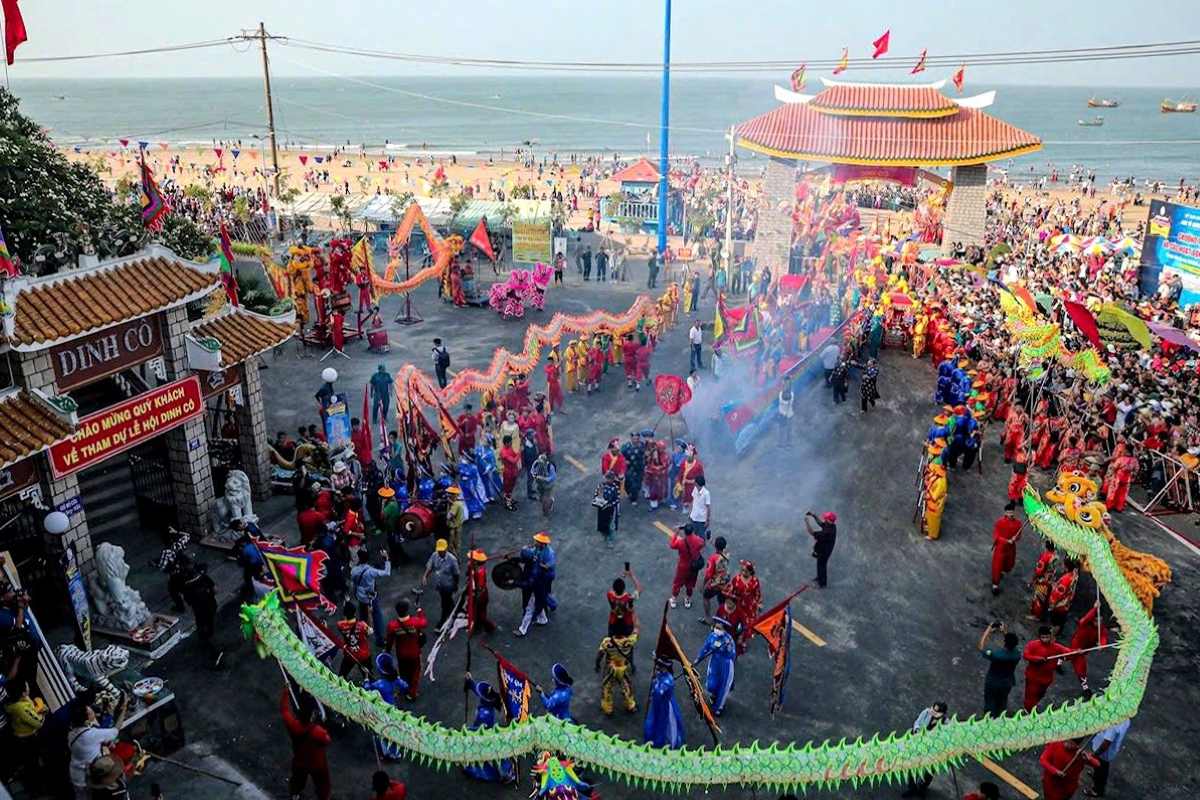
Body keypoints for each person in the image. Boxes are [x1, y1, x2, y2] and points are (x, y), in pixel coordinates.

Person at [167, 555, 222, 667]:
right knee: (209, 619)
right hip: (210, 603)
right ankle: (208, 635)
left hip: (198, 606)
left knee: (201, 622)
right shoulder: (202, 576)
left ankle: (206, 640)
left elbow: (175, 591)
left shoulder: (179, 578)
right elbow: (215, 590)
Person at [280, 687, 333, 800]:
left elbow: (284, 710)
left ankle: (295, 794)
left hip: (300, 761)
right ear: (311, 717)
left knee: (297, 780)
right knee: (322, 784)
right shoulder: (317, 731)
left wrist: (286, 691)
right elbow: (327, 740)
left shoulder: (293, 725)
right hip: (317, 764)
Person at [462, 675, 517, 783]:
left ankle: (506, 774)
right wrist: (470, 682)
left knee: (492, 754)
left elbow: (479, 730)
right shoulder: (487, 704)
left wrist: (468, 730)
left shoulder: (484, 714)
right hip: (486, 731)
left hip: (485, 735)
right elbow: (479, 693)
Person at [363, 653, 410, 761]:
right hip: (396, 709)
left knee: (383, 733)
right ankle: (396, 751)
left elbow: (367, 688)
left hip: (384, 712)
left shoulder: (380, 684)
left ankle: (389, 754)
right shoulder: (396, 680)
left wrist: (366, 677)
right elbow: (405, 686)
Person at [900, 701, 948, 797]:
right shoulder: (926, 712)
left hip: (933, 750)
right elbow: (917, 722)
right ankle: (912, 788)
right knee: (913, 766)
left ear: (942, 714)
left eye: (936, 712)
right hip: (918, 745)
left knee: (929, 771)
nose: (932, 712)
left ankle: (922, 788)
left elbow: (946, 738)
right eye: (932, 709)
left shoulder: (946, 723)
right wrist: (917, 730)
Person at [1023, 625, 1073, 710]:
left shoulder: (1056, 647)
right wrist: (1037, 659)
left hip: (1046, 679)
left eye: (1047, 637)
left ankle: (1033, 706)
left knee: (1040, 695)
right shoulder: (1032, 645)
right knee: (1030, 695)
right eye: (1043, 637)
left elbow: (1068, 652)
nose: (1045, 639)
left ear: (1050, 636)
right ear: (1039, 636)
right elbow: (1026, 655)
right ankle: (1028, 710)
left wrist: (1078, 651)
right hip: (1033, 678)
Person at [516, 532, 556, 637]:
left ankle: (522, 629)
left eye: (537, 541)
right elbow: (529, 556)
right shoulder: (537, 549)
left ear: (543, 543)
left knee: (530, 606)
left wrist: (518, 583)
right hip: (538, 580)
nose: (535, 543)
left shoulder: (549, 554)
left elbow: (546, 568)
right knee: (540, 600)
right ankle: (543, 618)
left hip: (542, 581)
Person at [385, 600, 427, 700]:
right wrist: (419, 610)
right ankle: (412, 693)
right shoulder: (415, 622)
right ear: (407, 610)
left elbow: (389, 641)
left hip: (401, 654)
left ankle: (404, 687)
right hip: (414, 653)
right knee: (415, 673)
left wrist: (387, 652)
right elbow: (424, 622)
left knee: (403, 672)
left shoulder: (392, 626)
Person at [977, 622, 1021, 716]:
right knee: (1002, 701)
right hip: (1007, 682)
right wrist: (1004, 631)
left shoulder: (997, 655)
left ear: (1004, 642)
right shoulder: (1017, 654)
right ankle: (1000, 717)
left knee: (990, 702)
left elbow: (981, 647)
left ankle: (989, 719)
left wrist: (988, 629)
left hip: (993, 682)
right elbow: (1011, 642)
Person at [695, 617, 737, 715]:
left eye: (720, 628)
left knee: (723, 686)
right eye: (716, 627)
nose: (717, 629)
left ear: (724, 629)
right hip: (715, 662)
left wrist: (727, 646)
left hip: (726, 664)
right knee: (711, 685)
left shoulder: (728, 640)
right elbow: (705, 647)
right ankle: (714, 695)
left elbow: (732, 654)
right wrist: (699, 658)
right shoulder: (712, 636)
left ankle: (719, 707)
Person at [351, 548, 392, 648]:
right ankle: (379, 639)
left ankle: (362, 637)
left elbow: (354, 582)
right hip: (370, 598)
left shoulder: (354, 570)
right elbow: (387, 572)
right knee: (377, 617)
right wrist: (386, 559)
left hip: (360, 596)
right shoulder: (371, 571)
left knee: (362, 616)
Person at [643, 657, 684, 749]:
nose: (658, 668)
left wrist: (656, 684)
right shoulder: (659, 676)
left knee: (666, 725)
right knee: (652, 722)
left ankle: (670, 744)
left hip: (664, 706)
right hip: (656, 704)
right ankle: (650, 739)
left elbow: (659, 692)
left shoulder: (668, 680)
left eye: (660, 666)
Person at [595, 629, 638, 715]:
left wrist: (597, 665)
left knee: (607, 687)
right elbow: (636, 633)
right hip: (623, 667)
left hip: (611, 668)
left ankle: (607, 708)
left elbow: (600, 654)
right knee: (626, 686)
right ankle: (630, 705)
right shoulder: (629, 641)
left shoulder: (607, 642)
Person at [1070, 603, 1108, 696]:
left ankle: (1085, 688)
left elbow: (1103, 637)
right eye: (1096, 621)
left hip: (1084, 651)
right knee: (1076, 665)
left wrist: (1102, 645)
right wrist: (1094, 608)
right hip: (1076, 648)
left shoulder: (1101, 629)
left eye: (1100, 621)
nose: (1098, 623)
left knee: (1081, 670)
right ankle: (1085, 688)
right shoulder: (1085, 623)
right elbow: (1086, 618)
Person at [422, 539, 460, 629]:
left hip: (448, 585)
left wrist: (455, 585)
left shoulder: (452, 559)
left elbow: (456, 574)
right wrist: (425, 576)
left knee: (444, 602)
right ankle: (455, 610)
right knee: (447, 599)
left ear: (446, 549)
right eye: (439, 550)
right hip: (439, 584)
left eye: (442, 551)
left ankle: (443, 620)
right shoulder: (435, 555)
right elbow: (430, 565)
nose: (440, 552)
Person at [1088, 718, 1130, 797]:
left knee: (1101, 769)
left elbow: (1106, 743)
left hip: (1103, 753)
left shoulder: (1114, 725)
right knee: (1099, 768)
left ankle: (1097, 790)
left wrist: (1095, 754)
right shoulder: (1126, 719)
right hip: (1107, 750)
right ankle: (1095, 775)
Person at [668, 523, 706, 609]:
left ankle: (674, 600)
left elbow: (672, 545)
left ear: (684, 532)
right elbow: (702, 543)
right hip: (693, 567)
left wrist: (676, 533)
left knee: (677, 583)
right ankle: (687, 600)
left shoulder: (681, 542)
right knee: (690, 584)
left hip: (683, 566)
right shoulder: (698, 541)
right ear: (692, 531)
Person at [990, 502, 1023, 595]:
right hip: (1000, 548)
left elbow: (1019, 536)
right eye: (1008, 512)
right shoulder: (999, 522)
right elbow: (996, 536)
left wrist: (1015, 538)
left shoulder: (1018, 523)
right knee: (997, 565)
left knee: (1009, 563)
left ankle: (1002, 571)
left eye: (1012, 512)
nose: (1010, 514)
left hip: (1011, 548)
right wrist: (1006, 541)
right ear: (1005, 513)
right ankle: (995, 585)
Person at [335, 601, 372, 679]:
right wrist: (369, 614)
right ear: (355, 612)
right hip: (363, 655)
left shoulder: (340, 625)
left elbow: (344, 622)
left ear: (344, 614)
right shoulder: (363, 625)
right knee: (369, 677)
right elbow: (370, 632)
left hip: (350, 654)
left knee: (341, 677)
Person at [700, 535, 731, 622]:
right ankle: (724, 618)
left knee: (705, 597)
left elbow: (708, 575)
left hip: (716, 583)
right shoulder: (726, 555)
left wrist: (704, 585)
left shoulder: (713, 558)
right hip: (725, 582)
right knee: (722, 601)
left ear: (715, 546)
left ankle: (707, 618)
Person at [466, 549, 496, 635]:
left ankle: (490, 627)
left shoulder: (480, 572)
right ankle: (477, 624)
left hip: (481, 595)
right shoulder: (474, 568)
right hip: (477, 593)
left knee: (480, 613)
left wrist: (476, 597)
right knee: (475, 611)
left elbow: (480, 587)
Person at [803, 511, 837, 588]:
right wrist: (813, 515)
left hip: (824, 552)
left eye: (826, 518)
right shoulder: (832, 525)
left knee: (822, 565)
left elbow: (811, 532)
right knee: (820, 565)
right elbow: (821, 523)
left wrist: (807, 522)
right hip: (825, 549)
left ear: (828, 520)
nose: (824, 519)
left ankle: (822, 583)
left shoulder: (826, 532)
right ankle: (819, 577)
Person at [1030, 541, 1058, 619]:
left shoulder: (1045, 556)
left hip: (1043, 581)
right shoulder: (1055, 555)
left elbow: (1039, 571)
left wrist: (1033, 579)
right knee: (1045, 598)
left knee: (1039, 598)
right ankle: (1042, 613)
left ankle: (1037, 615)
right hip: (1050, 579)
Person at [594, 471, 622, 546]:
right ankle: (604, 534)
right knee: (602, 523)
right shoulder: (601, 486)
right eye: (606, 478)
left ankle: (609, 539)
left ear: (612, 479)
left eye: (609, 479)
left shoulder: (615, 487)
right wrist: (598, 501)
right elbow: (596, 495)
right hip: (602, 509)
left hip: (610, 510)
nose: (607, 480)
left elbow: (617, 499)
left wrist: (609, 504)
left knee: (610, 525)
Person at [621, 432, 646, 505]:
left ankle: (634, 498)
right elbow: (620, 456)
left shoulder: (642, 445)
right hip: (629, 469)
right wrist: (625, 461)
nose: (636, 440)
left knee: (637, 485)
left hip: (639, 468)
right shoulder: (626, 447)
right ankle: (628, 492)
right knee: (628, 483)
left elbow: (645, 454)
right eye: (634, 439)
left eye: (637, 439)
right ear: (631, 438)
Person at [499, 434, 521, 510]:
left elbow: (514, 455)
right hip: (508, 472)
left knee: (511, 487)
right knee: (507, 488)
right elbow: (513, 461)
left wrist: (517, 454)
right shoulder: (503, 452)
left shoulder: (509, 448)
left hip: (513, 471)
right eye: (510, 442)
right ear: (506, 443)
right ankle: (508, 504)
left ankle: (509, 499)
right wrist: (519, 454)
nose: (511, 443)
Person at [444, 486, 466, 554]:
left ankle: (454, 556)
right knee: (458, 542)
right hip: (459, 525)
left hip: (454, 527)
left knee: (452, 544)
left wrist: (448, 506)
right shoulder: (459, 502)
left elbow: (449, 516)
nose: (448, 495)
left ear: (454, 495)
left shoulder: (455, 505)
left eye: (450, 494)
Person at [689, 475, 712, 539]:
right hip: (693, 516)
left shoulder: (706, 493)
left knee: (701, 536)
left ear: (696, 483)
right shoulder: (695, 489)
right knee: (694, 534)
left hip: (701, 519)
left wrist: (707, 520)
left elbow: (708, 507)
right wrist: (690, 512)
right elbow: (693, 500)